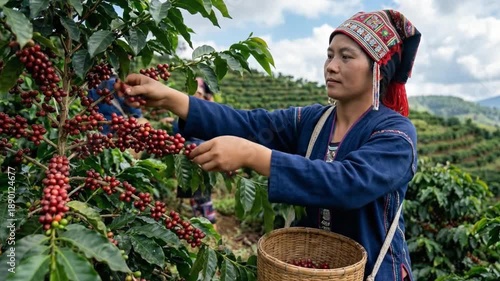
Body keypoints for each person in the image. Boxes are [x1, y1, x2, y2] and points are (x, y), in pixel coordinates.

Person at [117, 9, 421, 281]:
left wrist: (253, 155)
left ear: (377, 68)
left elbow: (348, 183)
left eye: (346, 56)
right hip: (314, 272)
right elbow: (251, 125)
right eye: (329, 55)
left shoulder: (396, 135)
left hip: (376, 273)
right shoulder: (313, 121)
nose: (331, 66)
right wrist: (173, 98)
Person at [168, 78, 218, 227]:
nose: (194, 95)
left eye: (197, 92)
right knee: (192, 192)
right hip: (189, 157)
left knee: (203, 193)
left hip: (203, 156)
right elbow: (177, 132)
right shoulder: (186, 109)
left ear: (204, 95)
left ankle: (211, 225)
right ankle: (200, 225)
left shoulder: (210, 110)